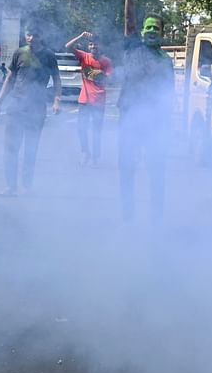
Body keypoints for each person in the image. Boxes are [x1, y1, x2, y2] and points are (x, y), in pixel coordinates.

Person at [115, 18, 173, 223]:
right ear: (141, 31)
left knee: (157, 170)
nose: (151, 31)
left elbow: (169, 92)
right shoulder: (132, 48)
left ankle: (156, 218)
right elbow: (129, 23)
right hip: (130, 119)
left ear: (162, 34)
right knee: (127, 167)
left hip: (156, 123)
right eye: (147, 27)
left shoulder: (165, 59)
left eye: (156, 28)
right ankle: (127, 216)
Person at [0, 25, 61, 197]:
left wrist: (57, 100)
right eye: (29, 35)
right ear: (25, 36)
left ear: (41, 36)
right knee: (11, 148)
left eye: (35, 35)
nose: (31, 38)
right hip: (16, 105)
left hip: (36, 108)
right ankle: (10, 187)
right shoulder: (19, 52)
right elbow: (10, 78)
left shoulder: (49, 55)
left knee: (31, 149)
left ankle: (27, 186)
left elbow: (56, 79)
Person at [65, 30, 113, 167]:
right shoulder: (84, 57)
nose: (93, 47)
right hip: (84, 99)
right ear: (88, 46)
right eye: (91, 44)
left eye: (96, 45)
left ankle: (96, 157)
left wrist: (99, 74)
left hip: (98, 100)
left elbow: (109, 77)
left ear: (101, 46)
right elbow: (67, 46)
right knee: (82, 128)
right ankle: (85, 152)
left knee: (96, 130)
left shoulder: (106, 61)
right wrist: (81, 35)